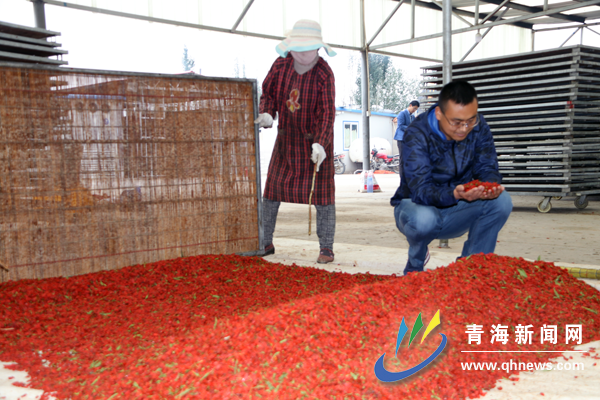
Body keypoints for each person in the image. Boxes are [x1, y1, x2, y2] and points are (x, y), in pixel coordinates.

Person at [390, 81, 512, 275]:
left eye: (470, 120)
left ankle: (471, 268)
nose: (464, 128)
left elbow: (488, 166)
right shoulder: (417, 133)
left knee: (501, 201)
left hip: (457, 207)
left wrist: (487, 186)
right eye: (456, 122)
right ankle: (415, 262)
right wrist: (454, 194)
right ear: (439, 113)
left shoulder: (478, 126)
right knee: (424, 220)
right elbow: (420, 189)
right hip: (416, 207)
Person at [254, 19, 337, 264]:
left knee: (324, 199)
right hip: (286, 142)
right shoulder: (280, 66)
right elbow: (267, 93)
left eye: (308, 48)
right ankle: (264, 241)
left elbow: (327, 113)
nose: (302, 53)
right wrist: (268, 113)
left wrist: (321, 144)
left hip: (315, 146)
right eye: (298, 48)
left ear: (319, 48)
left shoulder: (324, 73)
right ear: (289, 47)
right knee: (270, 194)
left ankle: (326, 248)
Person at [393, 100, 420, 176]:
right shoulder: (402, 113)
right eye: (414, 108)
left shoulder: (412, 116)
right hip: (402, 139)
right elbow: (400, 126)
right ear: (410, 105)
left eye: (416, 109)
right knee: (403, 160)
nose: (414, 111)